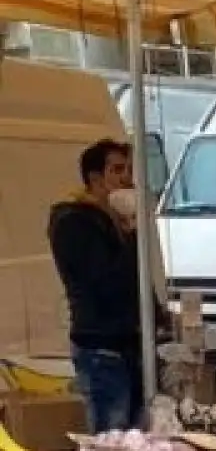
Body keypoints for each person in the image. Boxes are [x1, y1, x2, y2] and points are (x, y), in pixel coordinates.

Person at [49, 139, 146, 433]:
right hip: (101, 346)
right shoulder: (73, 222)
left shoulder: (112, 221)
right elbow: (106, 282)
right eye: (117, 170)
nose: (127, 179)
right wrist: (131, 238)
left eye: (130, 170)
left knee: (134, 434)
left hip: (129, 343)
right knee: (111, 436)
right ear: (94, 179)